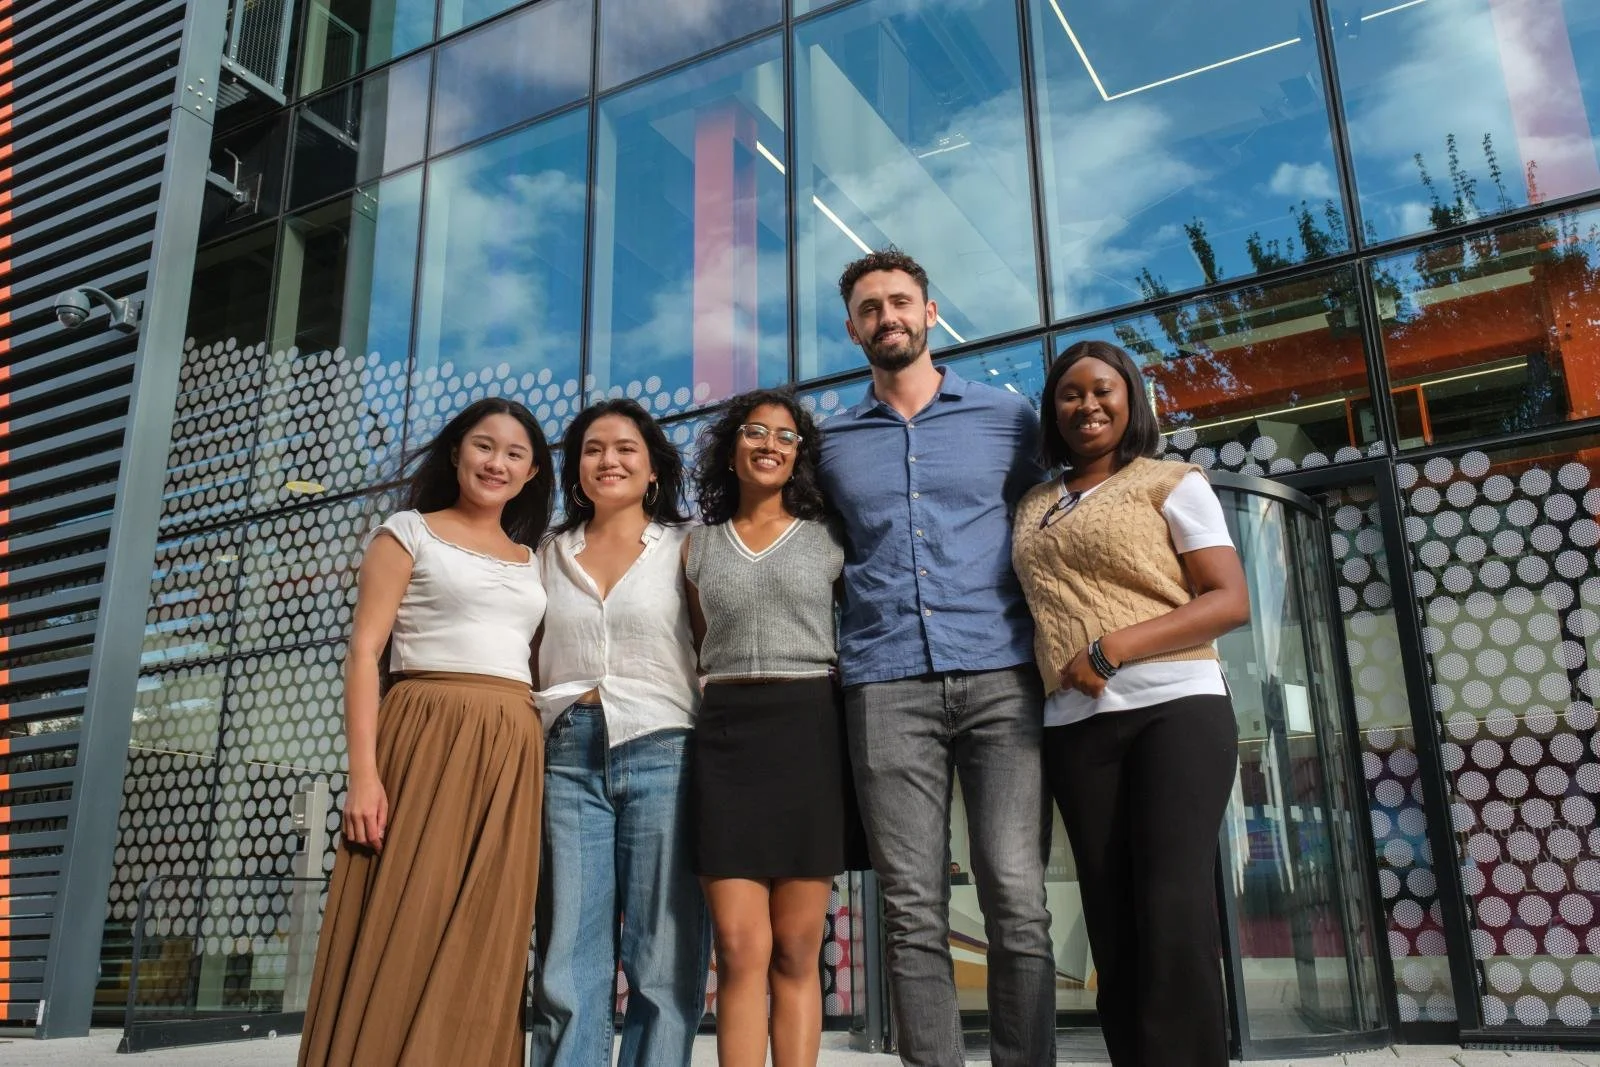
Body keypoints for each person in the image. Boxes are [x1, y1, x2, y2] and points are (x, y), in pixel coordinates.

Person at [817, 248, 1056, 1067]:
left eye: (900, 301)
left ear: (929, 311)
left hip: (1001, 674)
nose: (887, 316)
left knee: (1017, 898)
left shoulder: (1008, 419)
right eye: (870, 308)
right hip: (884, 684)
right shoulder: (831, 444)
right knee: (911, 909)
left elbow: (1051, 527)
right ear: (852, 329)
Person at [1010, 340, 1250, 1067]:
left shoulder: (1172, 481)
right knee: (1112, 924)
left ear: (1131, 399)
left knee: (1171, 911)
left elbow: (1229, 600)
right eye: (1070, 394)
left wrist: (1115, 646)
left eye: (1103, 390)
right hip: (1074, 729)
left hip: (1175, 709)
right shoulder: (1033, 503)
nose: (1087, 405)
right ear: (1054, 412)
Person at [299, 397, 553, 1067]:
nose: (496, 461)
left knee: (489, 928)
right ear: (455, 453)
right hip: (426, 731)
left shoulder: (533, 559)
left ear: (531, 473)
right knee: (408, 914)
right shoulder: (407, 531)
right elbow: (363, 652)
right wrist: (363, 775)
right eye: (484, 445)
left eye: (514, 452)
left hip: (513, 747)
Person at [529, 398, 710, 1067]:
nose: (610, 459)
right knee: (567, 951)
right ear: (577, 471)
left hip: (668, 749)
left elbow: (713, 648)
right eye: (594, 448)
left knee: (664, 954)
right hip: (568, 754)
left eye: (626, 447)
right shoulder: (547, 553)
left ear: (654, 468)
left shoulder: (688, 544)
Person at [684, 388, 847, 1067]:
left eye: (785, 436)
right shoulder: (693, 547)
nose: (770, 444)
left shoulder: (831, 539)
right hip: (725, 737)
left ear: (799, 454)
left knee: (795, 947)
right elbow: (694, 643)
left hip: (810, 733)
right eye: (755, 431)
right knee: (740, 946)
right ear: (732, 448)